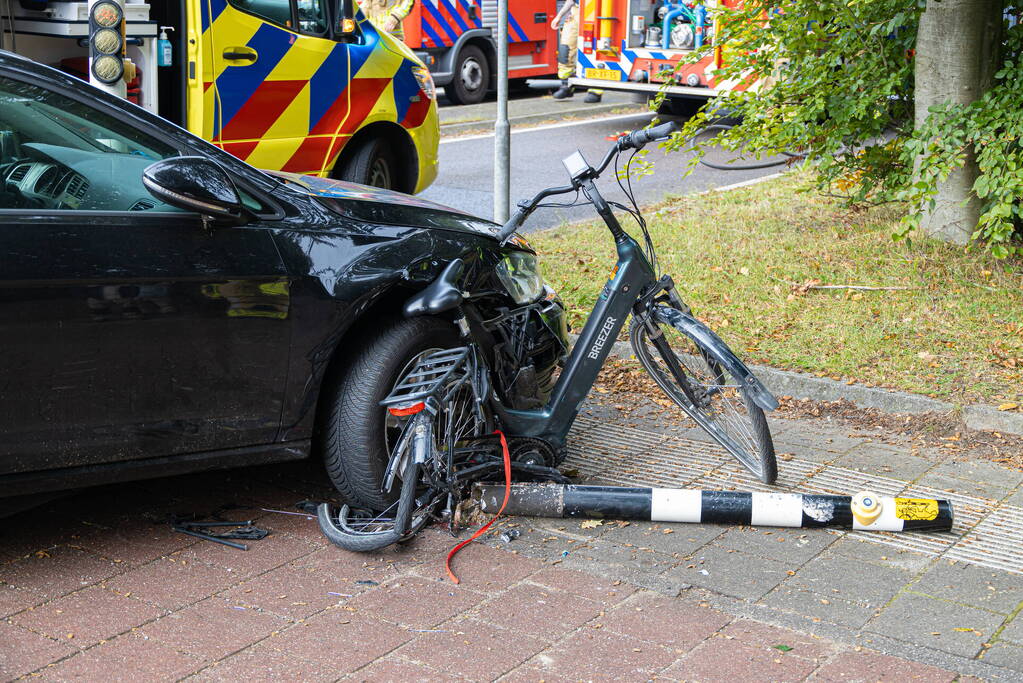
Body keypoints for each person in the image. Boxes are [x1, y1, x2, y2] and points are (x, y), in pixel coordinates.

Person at [550, 0, 602, 103]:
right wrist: (559, 16)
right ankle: (566, 85)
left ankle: (595, 90)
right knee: (565, 49)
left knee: (595, 51)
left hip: (599, 10)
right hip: (577, 11)